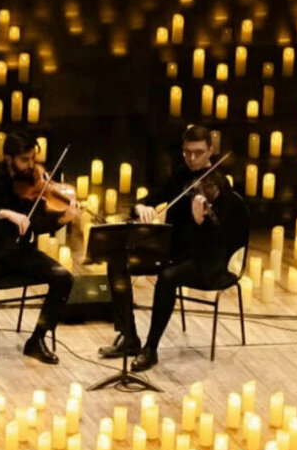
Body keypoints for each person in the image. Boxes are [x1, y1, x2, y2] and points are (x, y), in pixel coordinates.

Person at [99, 125, 248, 370]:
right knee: (117, 262)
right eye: (187, 152)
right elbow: (150, 198)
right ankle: (129, 336)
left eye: (198, 153)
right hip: (175, 252)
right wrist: (142, 208)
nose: (192, 158)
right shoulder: (181, 176)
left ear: (210, 150)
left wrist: (201, 222)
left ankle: (151, 348)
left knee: (168, 278)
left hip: (206, 261)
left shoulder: (221, 187)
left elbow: (223, 237)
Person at [0, 131, 77, 364]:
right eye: (25, 160)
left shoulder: (34, 184)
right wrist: (5, 213)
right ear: (9, 158)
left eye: (33, 159)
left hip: (21, 253)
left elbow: (35, 225)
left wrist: (62, 219)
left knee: (64, 278)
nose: (31, 165)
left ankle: (37, 340)